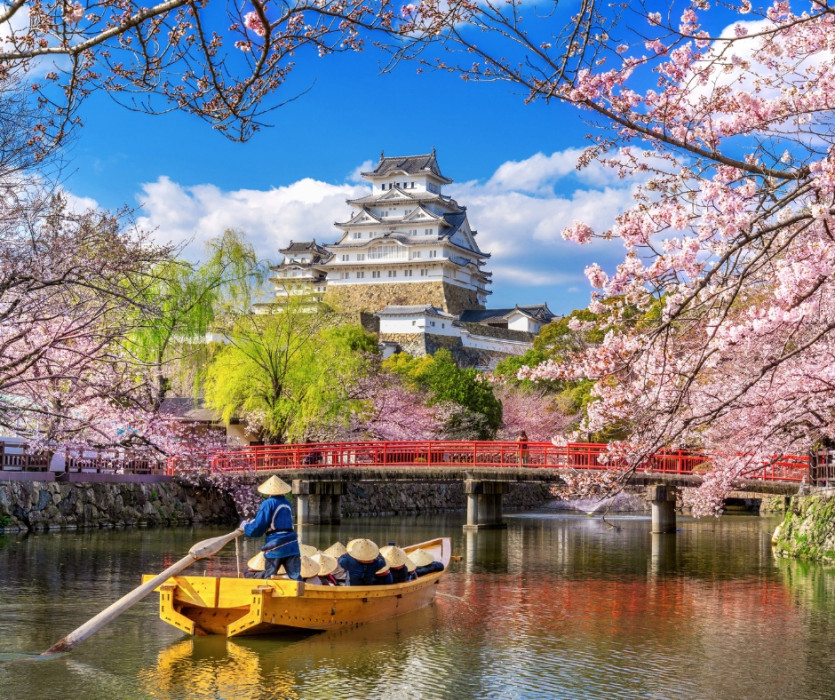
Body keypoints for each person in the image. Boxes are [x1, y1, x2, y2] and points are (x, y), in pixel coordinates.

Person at [242, 475, 301, 580]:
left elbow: (259, 526)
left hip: (275, 545)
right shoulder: (287, 503)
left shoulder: (268, 503)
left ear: (268, 491)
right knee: (295, 578)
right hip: (292, 544)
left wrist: (246, 527)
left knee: (269, 576)